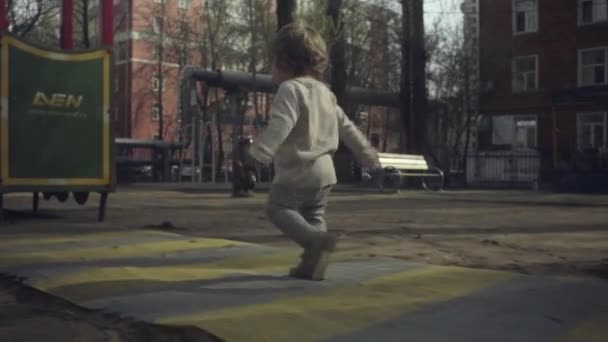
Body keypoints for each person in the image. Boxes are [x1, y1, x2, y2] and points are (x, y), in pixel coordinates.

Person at [248, 22, 380, 281]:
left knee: (277, 209)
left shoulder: (290, 89)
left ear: (285, 61)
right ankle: (313, 264)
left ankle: (314, 241)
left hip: (298, 171)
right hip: (324, 175)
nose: (271, 66)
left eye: (273, 60)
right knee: (314, 215)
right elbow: (347, 127)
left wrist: (260, 152)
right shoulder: (326, 94)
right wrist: (366, 154)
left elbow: (280, 125)